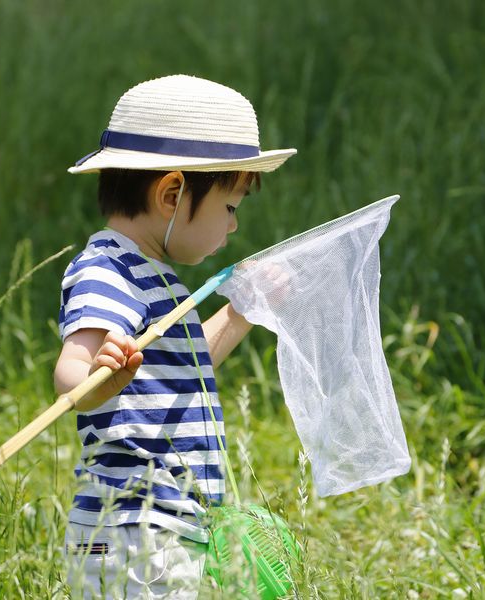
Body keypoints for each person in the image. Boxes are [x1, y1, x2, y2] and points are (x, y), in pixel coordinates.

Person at [54, 74, 295, 598]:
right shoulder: (109, 271)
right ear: (172, 193)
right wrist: (101, 379)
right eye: (228, 209)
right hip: (134, 532)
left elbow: (186, 365)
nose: (232, 227)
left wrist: (242, 312)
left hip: (160, 529)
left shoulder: (155, 277)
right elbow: (71, 372)